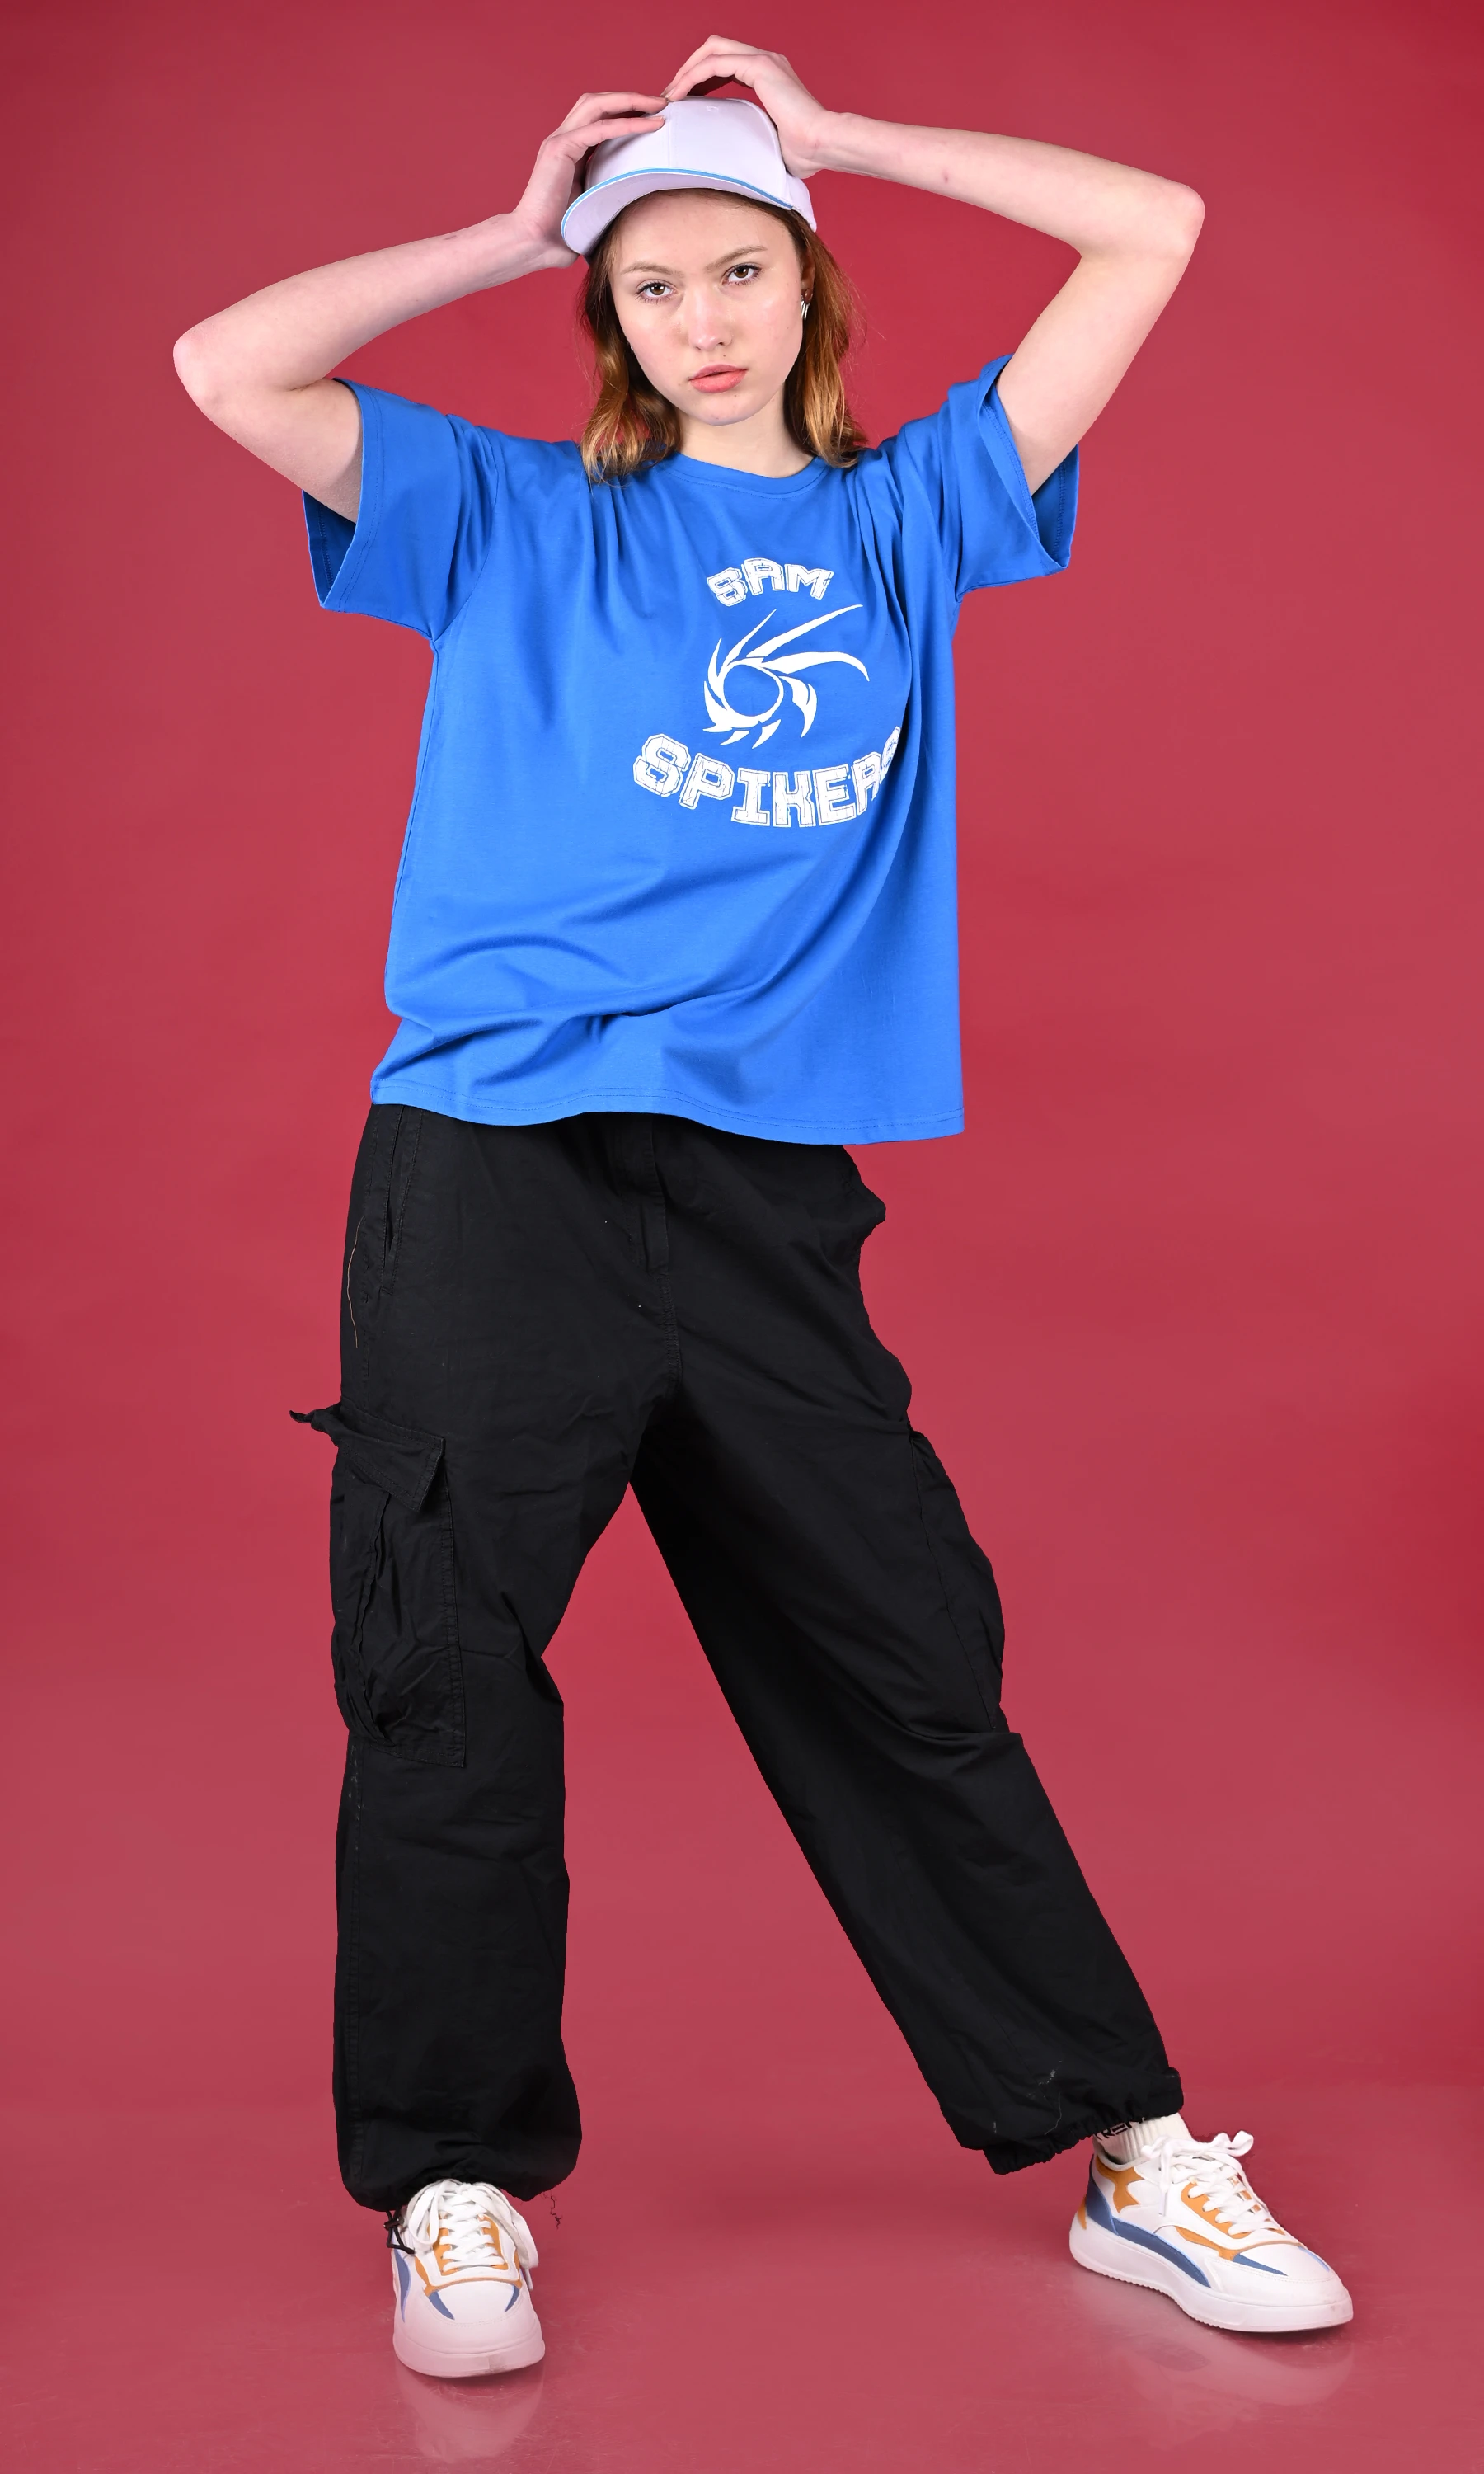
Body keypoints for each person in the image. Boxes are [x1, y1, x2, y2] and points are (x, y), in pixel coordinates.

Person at [174, 35, 1352, 2377]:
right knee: (443, 1671)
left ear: (807, 287)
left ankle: (1126, 2149)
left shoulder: (915, 519)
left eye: (738, 270)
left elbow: (1155, 231)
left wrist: (849, 139)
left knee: (907, 1664)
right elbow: (228, 365)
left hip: (758, 1194)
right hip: (491, 1167)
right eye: (648, 286)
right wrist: (509, 228)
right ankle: (454, 2186)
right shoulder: (511, 517)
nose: (698, 318)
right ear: (604, 320)